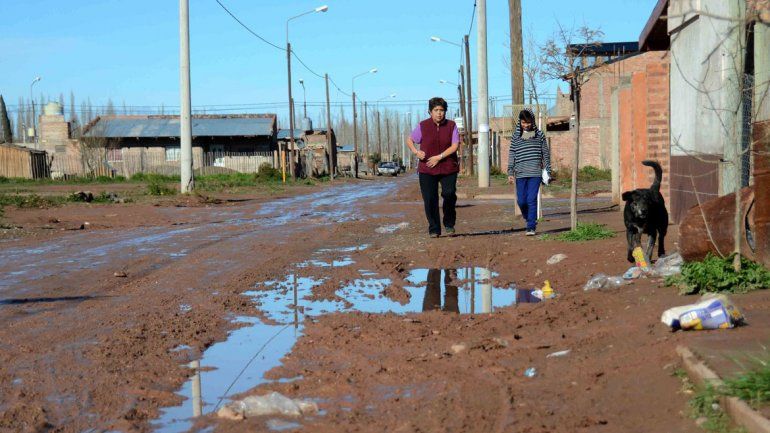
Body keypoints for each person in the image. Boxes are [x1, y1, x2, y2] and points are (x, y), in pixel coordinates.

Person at [406, 97, 461, 238]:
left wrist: (439, 157)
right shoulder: (423, 125)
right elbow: (410, 140)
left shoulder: (451, 126)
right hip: (427, 168)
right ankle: (434, 229)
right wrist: (416, 152)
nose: (439, 113)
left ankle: (449, 224)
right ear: (430, 112)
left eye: (442, 110)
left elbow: (455, 145)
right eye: (436, 110)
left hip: (448, 166)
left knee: (449, 194)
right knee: (430, 199)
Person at [507, 108, 551, 236]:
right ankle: (528, 218)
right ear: (520, 122)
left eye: (528, 122)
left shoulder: (539, 135)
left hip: (535, 173)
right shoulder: (516, 136)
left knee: (531, 199)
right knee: (521, 201)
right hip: (520, 174)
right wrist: (510, 172)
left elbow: (545, 153)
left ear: (532, 121)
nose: (526, 125)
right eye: (523, 122)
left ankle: (531, 226)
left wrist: (548, 170)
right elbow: (512, 154)